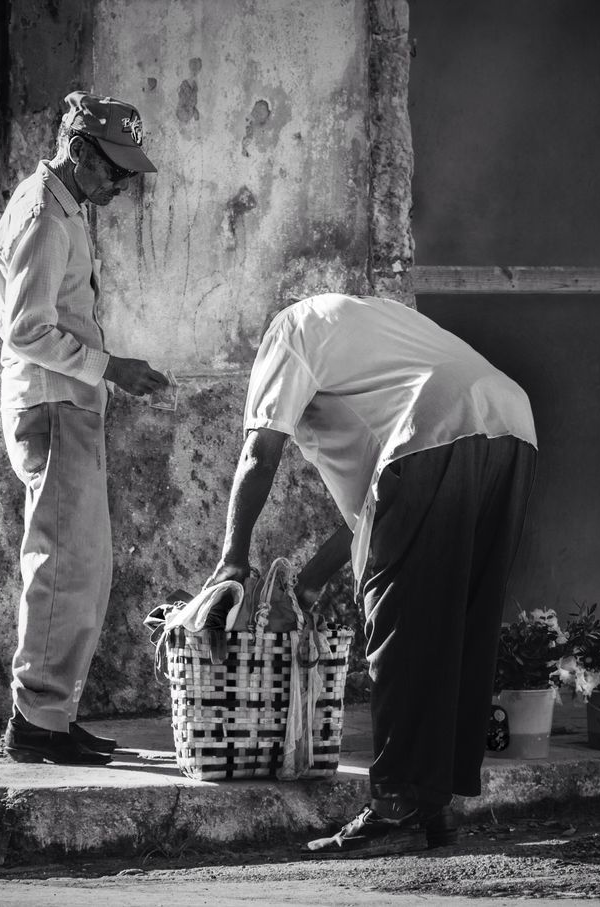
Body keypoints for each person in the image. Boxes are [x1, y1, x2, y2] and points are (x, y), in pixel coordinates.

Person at [205, 292, 537, 857]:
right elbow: (373, 513)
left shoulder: (287, 334)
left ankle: (394, 808)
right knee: (459, 620)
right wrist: (311, 580)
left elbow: (258, 455)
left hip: (433, 429)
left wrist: (232, 559)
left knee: (403, 631)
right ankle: (432, 805)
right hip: (512, 425)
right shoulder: (374, 332)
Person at [0, 91, 169, 765]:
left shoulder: (65, 205)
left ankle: (53, 715)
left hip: (65, 402)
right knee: (66, 565)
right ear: (80, 151)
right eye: (116, 168)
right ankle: (36, 719)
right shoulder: (45, 216)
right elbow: (26, 328)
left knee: (83, 567)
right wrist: (111, 366)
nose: (124, 183)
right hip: (53, 405)